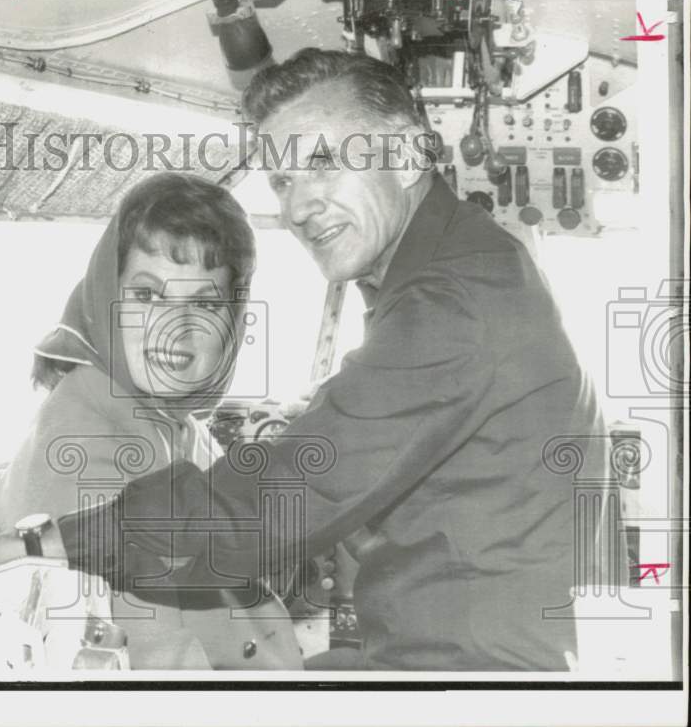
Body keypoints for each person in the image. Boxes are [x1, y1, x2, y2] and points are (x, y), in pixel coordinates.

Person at [50, 49, 618, 671]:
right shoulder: (460, 260)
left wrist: (34, 540)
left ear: (403, 156)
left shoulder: (451, 298)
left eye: (321, 164)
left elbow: (282, 500)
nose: (297, 208)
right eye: (283, 181)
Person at [0, 172, 302, 670]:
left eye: (204, 302)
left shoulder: (178, 426)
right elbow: (156, 669)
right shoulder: (82, 439)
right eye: (148, 296)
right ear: (107, 299)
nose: (176, 329)